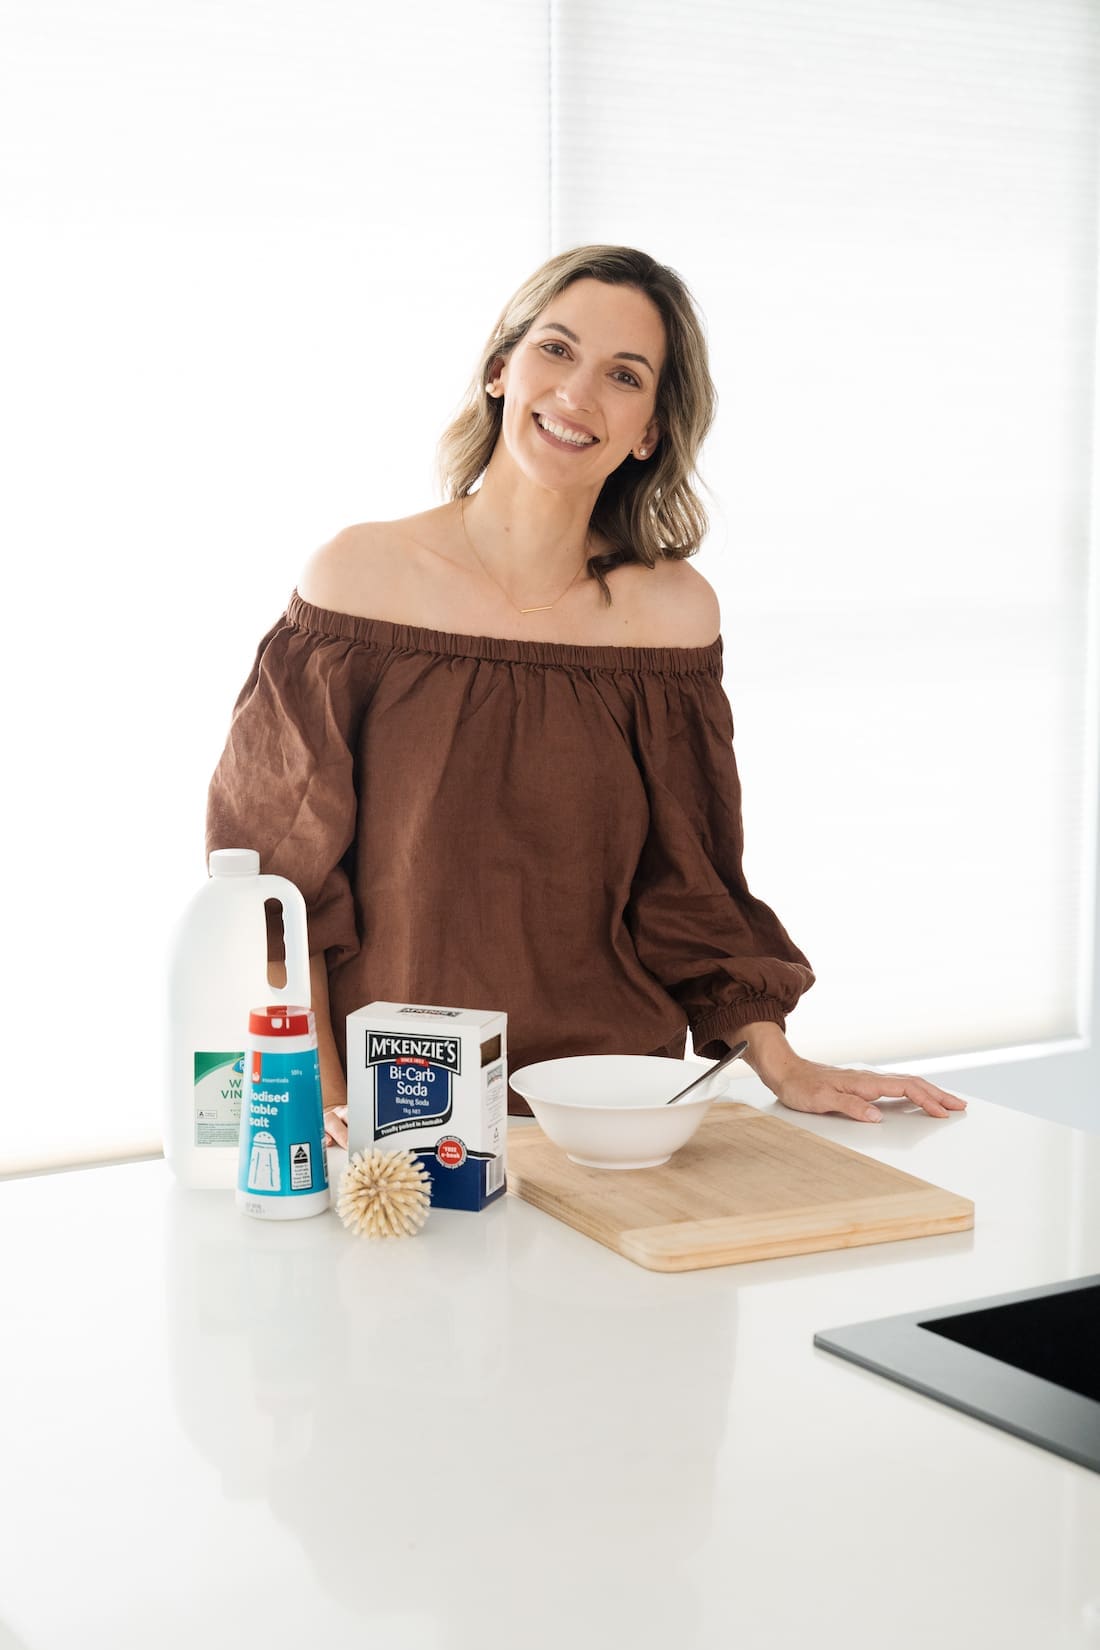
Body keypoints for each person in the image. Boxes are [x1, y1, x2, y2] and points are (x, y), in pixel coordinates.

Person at [206, 244, 967, 1148]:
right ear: (502, 368)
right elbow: (274, 884)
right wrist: (324, 1101)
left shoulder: (672, 615)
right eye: (557, 350)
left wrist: (782, 1064)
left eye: (624, 375)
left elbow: (693, 883)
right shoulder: (358, 581)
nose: (577, 395)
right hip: (397, 1114)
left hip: (614, 1113)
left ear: (651, 428)